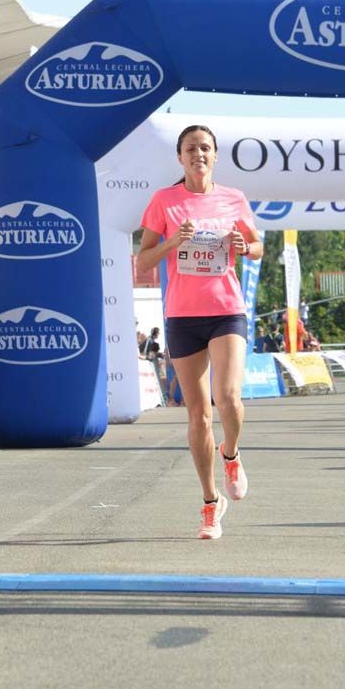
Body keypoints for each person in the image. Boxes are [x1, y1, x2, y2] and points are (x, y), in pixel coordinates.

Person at [135, 124, 263, 540]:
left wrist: (246, 247)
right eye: (190, 148)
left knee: (228, 397)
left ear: (215, 155)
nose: (198, 154)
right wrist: (173, 243)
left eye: (205, 148)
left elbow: (257, 244)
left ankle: (232, 454)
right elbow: (143, 261)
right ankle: (211, 503)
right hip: (183, 316)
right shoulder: (164, 201)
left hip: (226, 309)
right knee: (198, 415)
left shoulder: (233, 198)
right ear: (180, 157)